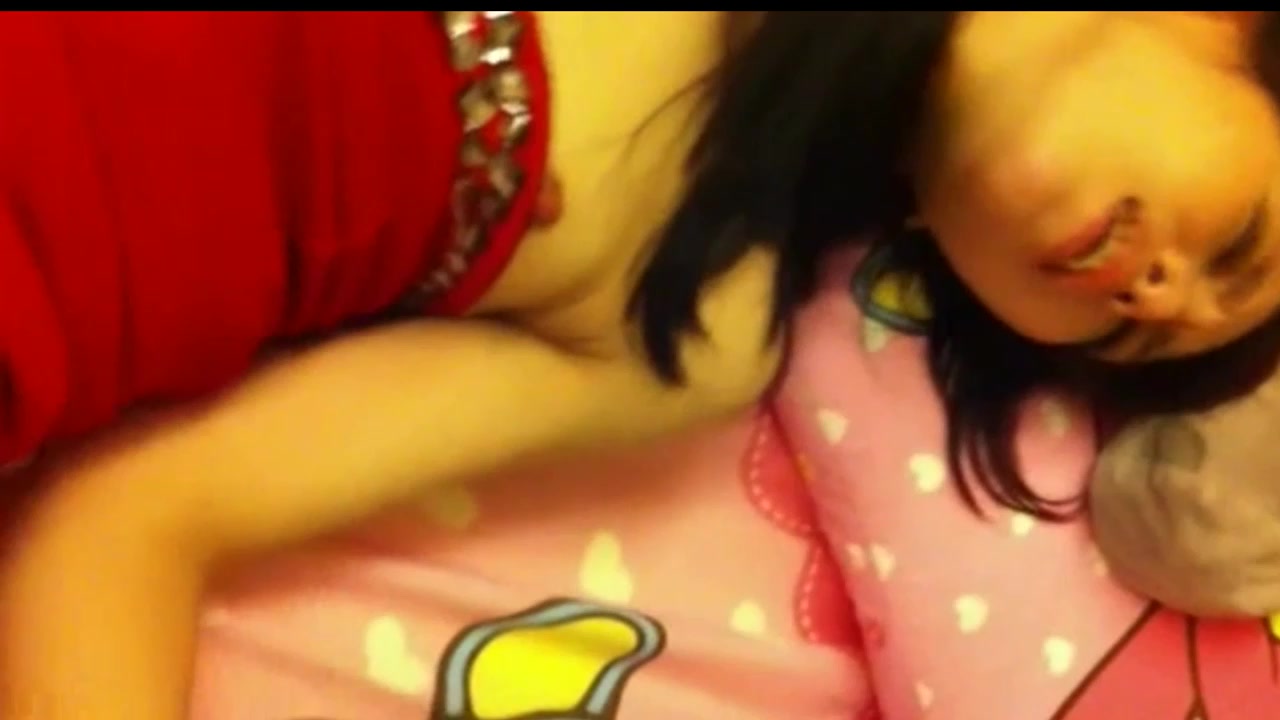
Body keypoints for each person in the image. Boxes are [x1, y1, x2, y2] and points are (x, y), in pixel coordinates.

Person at [0, 10, 1275, 718]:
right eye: (1239, 242)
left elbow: (124, 526)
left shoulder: (692, 326)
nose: (1157, 296)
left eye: (1131, 342)